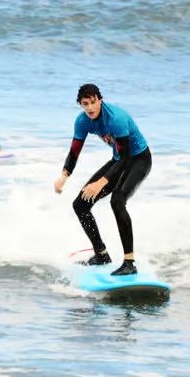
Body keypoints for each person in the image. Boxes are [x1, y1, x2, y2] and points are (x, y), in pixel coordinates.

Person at [53, 84, 151, 277]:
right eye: (84, 104)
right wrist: (64, 176)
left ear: (100, 100)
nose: (89, 108)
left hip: (139, 159)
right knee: (80, 205)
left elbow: (125, 158)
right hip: (118, 160)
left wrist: (101, 182)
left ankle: (129, 262)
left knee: (118, 201)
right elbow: (74, 152)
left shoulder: (116, 118)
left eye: (93, 102)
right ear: (80, 104)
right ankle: (101, 254)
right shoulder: (82, 121)